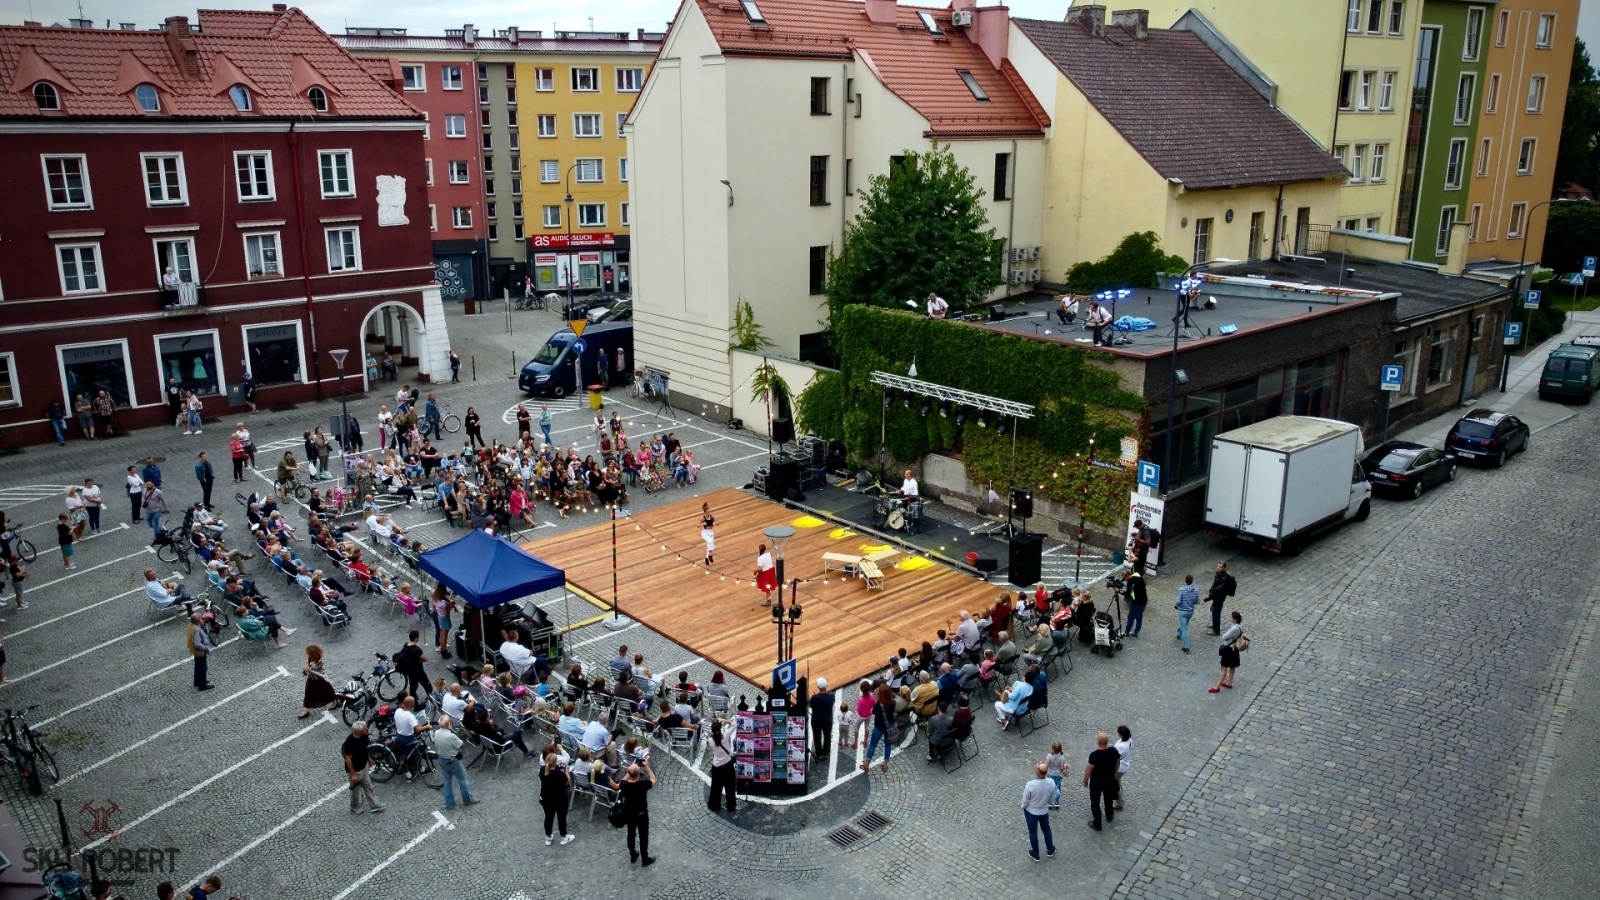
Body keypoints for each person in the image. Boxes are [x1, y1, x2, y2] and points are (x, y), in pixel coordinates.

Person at [433, 714, 476, 809]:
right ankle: (467, 800)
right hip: (452, 760)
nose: (451, 723)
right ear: (447, 724)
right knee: (462, 779)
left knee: (447, 780)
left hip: (441, 758)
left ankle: (449, 803)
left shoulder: (436, 733)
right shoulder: (450, 736)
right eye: (450, 722)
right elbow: (461, 745)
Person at [619, 759, 656, 865]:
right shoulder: (643, 784)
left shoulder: (624, 785)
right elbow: (653, 779)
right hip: (642, 814)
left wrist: (632, 767)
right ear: (639, 774)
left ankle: (633, 854)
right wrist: (646, 767)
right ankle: (645, 858)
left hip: (629, 814)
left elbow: (623, 780)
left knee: (631, 834)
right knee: (643, 836)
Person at [343, 721, 384, 814]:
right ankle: (354, 806)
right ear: (359, 732)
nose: (367, 729)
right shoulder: (350, 742)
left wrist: (369, 759)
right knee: (356, 790)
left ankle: (374, 805)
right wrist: (353, 775)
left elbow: (365, 749)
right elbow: (348, 760)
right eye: (365, 729)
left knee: (368, 785)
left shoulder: (364, 736)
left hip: (364, 766)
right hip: (355, 770)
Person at [1083, 732, 1120, 830]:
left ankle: (1097, 823)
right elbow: (1117, 763)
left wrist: (1085, 780)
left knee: (1095, 802)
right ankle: (1109, 815)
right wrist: (1114, 773)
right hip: (1109, 779)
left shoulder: (1094, 755)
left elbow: (1088, 771)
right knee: (1108, 798)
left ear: (1098, 741)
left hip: (1097, 782)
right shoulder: (1113, 751)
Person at [1022, 761, 1058, 861]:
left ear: (1037, 772)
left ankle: (1036, 853)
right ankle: (1050, 848)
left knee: (1033, 832)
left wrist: (1023, 807)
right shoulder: (1051, 782)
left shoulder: (1030, 785)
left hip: (1031, 812)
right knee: (1046, 829)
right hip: (1043, 811)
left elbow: (1025, 801)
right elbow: (1052, 798)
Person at [539, 751, 574, 845]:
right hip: (560, 799)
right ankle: (564, 837)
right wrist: (565, 770)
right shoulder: (559, 774)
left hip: (546, 799)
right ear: (555, 762)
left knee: (548, 817)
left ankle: (548, 837)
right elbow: (567, 782)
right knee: (561, 818)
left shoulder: (542, 770)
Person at [861, 683, 894, 773]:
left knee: (872, 745)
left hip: (879, 727)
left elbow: (874, 712)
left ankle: (867, 764)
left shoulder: (878, 705)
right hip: (889, 727)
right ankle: (885, 764)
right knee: (888, 745)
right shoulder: (893, 703)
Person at [707, 716, 737, 812]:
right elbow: (734, 724)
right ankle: (731, 806)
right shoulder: (725, 735)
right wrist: (724, 720)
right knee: (730, 787)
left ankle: (714, 805)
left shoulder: (710, 740)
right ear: (720, 729)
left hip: (716, 766)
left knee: (715, 787)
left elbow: (711, 734)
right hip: (727, 765)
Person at [1210, 611, 1244, 693]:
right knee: (1232, 666)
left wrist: (1225, 635)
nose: (1230, 618)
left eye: (1231, 617)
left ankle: (1217, 686)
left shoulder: (1234, 628)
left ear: (1235, 619)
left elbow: (1224, 637)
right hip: (1235, 648)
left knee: (1223, 668)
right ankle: (1229, 682)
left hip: (1229, 649)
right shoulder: (1240, 627)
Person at [300, 645, 336, 718]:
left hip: (319, 679)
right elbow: (307, 664)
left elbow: (310, 669)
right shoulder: (310, 658)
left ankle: (334, 701)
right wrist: (307, 666)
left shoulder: (319, 661)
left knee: (328, 690)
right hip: (311, 678)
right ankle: (305, 709)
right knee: (308, 692)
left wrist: (307, 668)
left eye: (308, 653)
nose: (307, 654)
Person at [395, 629, 430, 699]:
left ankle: (415, 703)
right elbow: (425, 659)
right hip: (418, 671)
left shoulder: (406, 645)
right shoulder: (417, 649)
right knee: (427, 685)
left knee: (413, 688)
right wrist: (420, 660)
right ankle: (433, 699)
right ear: (416, 638)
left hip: (410, 672)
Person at [1205, 561, 1237, 636]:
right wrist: (1211, 591)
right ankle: (1214, 625)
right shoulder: (1218, 574)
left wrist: (1212, 590)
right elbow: (1215, 583)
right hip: (1215, 596)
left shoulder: (1225, 577)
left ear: (1224, 568)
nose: (1218, 568)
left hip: (1220, 597)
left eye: (1220, 567)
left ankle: (1216, 631)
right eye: (1218, 566)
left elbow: (1220, 587)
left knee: (1216, 613)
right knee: (1213, 610)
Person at [187, 612, 214, 691]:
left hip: (195, 651)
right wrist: (204, 648)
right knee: (202, 667)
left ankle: (197, 681)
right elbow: (197, 644)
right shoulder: (196, 630)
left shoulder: (190, 626)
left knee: (198, 666)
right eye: (201, 619)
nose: (202, 620)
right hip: (200, 651)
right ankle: (202, 685)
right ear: (197, 621)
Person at [808, 677, 833, 760]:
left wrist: (814, 695)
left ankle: (819, 753)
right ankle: (826, 752)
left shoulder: (814, 697)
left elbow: (811, 705)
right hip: (827, 719)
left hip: (816, 720)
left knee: (817, 737)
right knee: (827, 736)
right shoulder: (831, 695)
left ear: (818, 686)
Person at [1175, 574, 1199, 654]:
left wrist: (1176, 605)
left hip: (1182, 611)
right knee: (1184, 625)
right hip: (1190, 611)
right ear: (1192, 581)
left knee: (1184, 628)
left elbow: (1178, 601)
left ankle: (1186, 646)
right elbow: (1197, 601)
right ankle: (1179, 632)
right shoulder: (1195, 590)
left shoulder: (1182, 590)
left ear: (1185, 581)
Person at [1123, 567, 1148, 637]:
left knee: (1131, 617)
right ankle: (1136, 632)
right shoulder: (1138, 576)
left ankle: (1126, 632)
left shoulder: (1130, 581)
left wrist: (1119, 591)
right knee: (1139, 617)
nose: (1125, 581)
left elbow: (1128, 593)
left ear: (1127, 576)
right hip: (1144, 600)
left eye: (1125, 579)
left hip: (1136, 602)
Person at [1112, 725, 1132, 810]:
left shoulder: (1121, 747)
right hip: (1124, 764)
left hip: (1119, 768)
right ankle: (1120, 800)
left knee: (1116, 785)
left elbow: (1115, 757)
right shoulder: (1129, 740)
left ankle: (1119, 803)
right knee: (1118, 783)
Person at [1045, 740, 1069, 808]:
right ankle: (1056, 802)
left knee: (1050, 788)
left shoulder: (1049, 756)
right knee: (1057, 787)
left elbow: (1047, 766)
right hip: (1058, 775)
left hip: (1051, 774)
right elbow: (1061, 768)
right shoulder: (1062, 757)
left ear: (1052, 749)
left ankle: (1049, 802)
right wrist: (1065, 766)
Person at [700, 502, 715, 566]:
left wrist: (716, 523)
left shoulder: (712, 517)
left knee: (711, 545)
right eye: (708, 512)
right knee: (710, 541)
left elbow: (717, 522)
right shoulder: (703, 518)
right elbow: (697, 525)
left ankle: (707, 557)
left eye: (710, 512)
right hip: (705, 533)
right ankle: (710, 555)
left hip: (711, 532)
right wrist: (702, 524)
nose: (709, 513)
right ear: (705, 512)